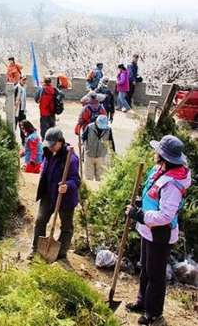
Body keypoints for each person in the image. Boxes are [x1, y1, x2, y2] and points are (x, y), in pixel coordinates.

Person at [125, 135, 191, 325]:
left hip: (160, 233)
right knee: (145, 268)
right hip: (148, 229)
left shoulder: (173, 184)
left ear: (164, 157)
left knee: (155, 274)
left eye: (158, 152)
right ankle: (142, 302)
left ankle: (153, 312)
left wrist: (140, 215)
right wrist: (139, 205)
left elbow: (165, 216)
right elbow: (152, 194)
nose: (155, 154)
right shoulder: (158, 171)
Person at [29, 128, 81, 260]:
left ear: (60, 141)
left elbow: (76, 180)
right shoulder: (48, 152)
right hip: (48, 194)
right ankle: (36, 250)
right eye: (49, 144)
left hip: (65, 198)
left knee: (66, 226)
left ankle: (61, 252)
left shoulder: (71, 158)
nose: (50, 147)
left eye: (53, 144)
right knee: (40, 221)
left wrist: (67, 186)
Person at [81, 115, 115, 181]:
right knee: (88, 177)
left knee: (101, 178)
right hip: (89, 155)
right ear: (96, 122)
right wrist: (81, 142)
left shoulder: (108, 130)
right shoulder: (89, 127)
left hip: (101, 156)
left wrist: (113, 153)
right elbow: (83, 137)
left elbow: (111, 142)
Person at [14, 75, 28, 145]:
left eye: (25, 80)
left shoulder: (24, 88)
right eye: (23, 80)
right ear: (20, 80)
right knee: (14, 127)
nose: (24, 81)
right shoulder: (16, 87)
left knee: (23, 127)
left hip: (22, 110)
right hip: (16, 111)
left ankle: (23, 141)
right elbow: (13, 98)